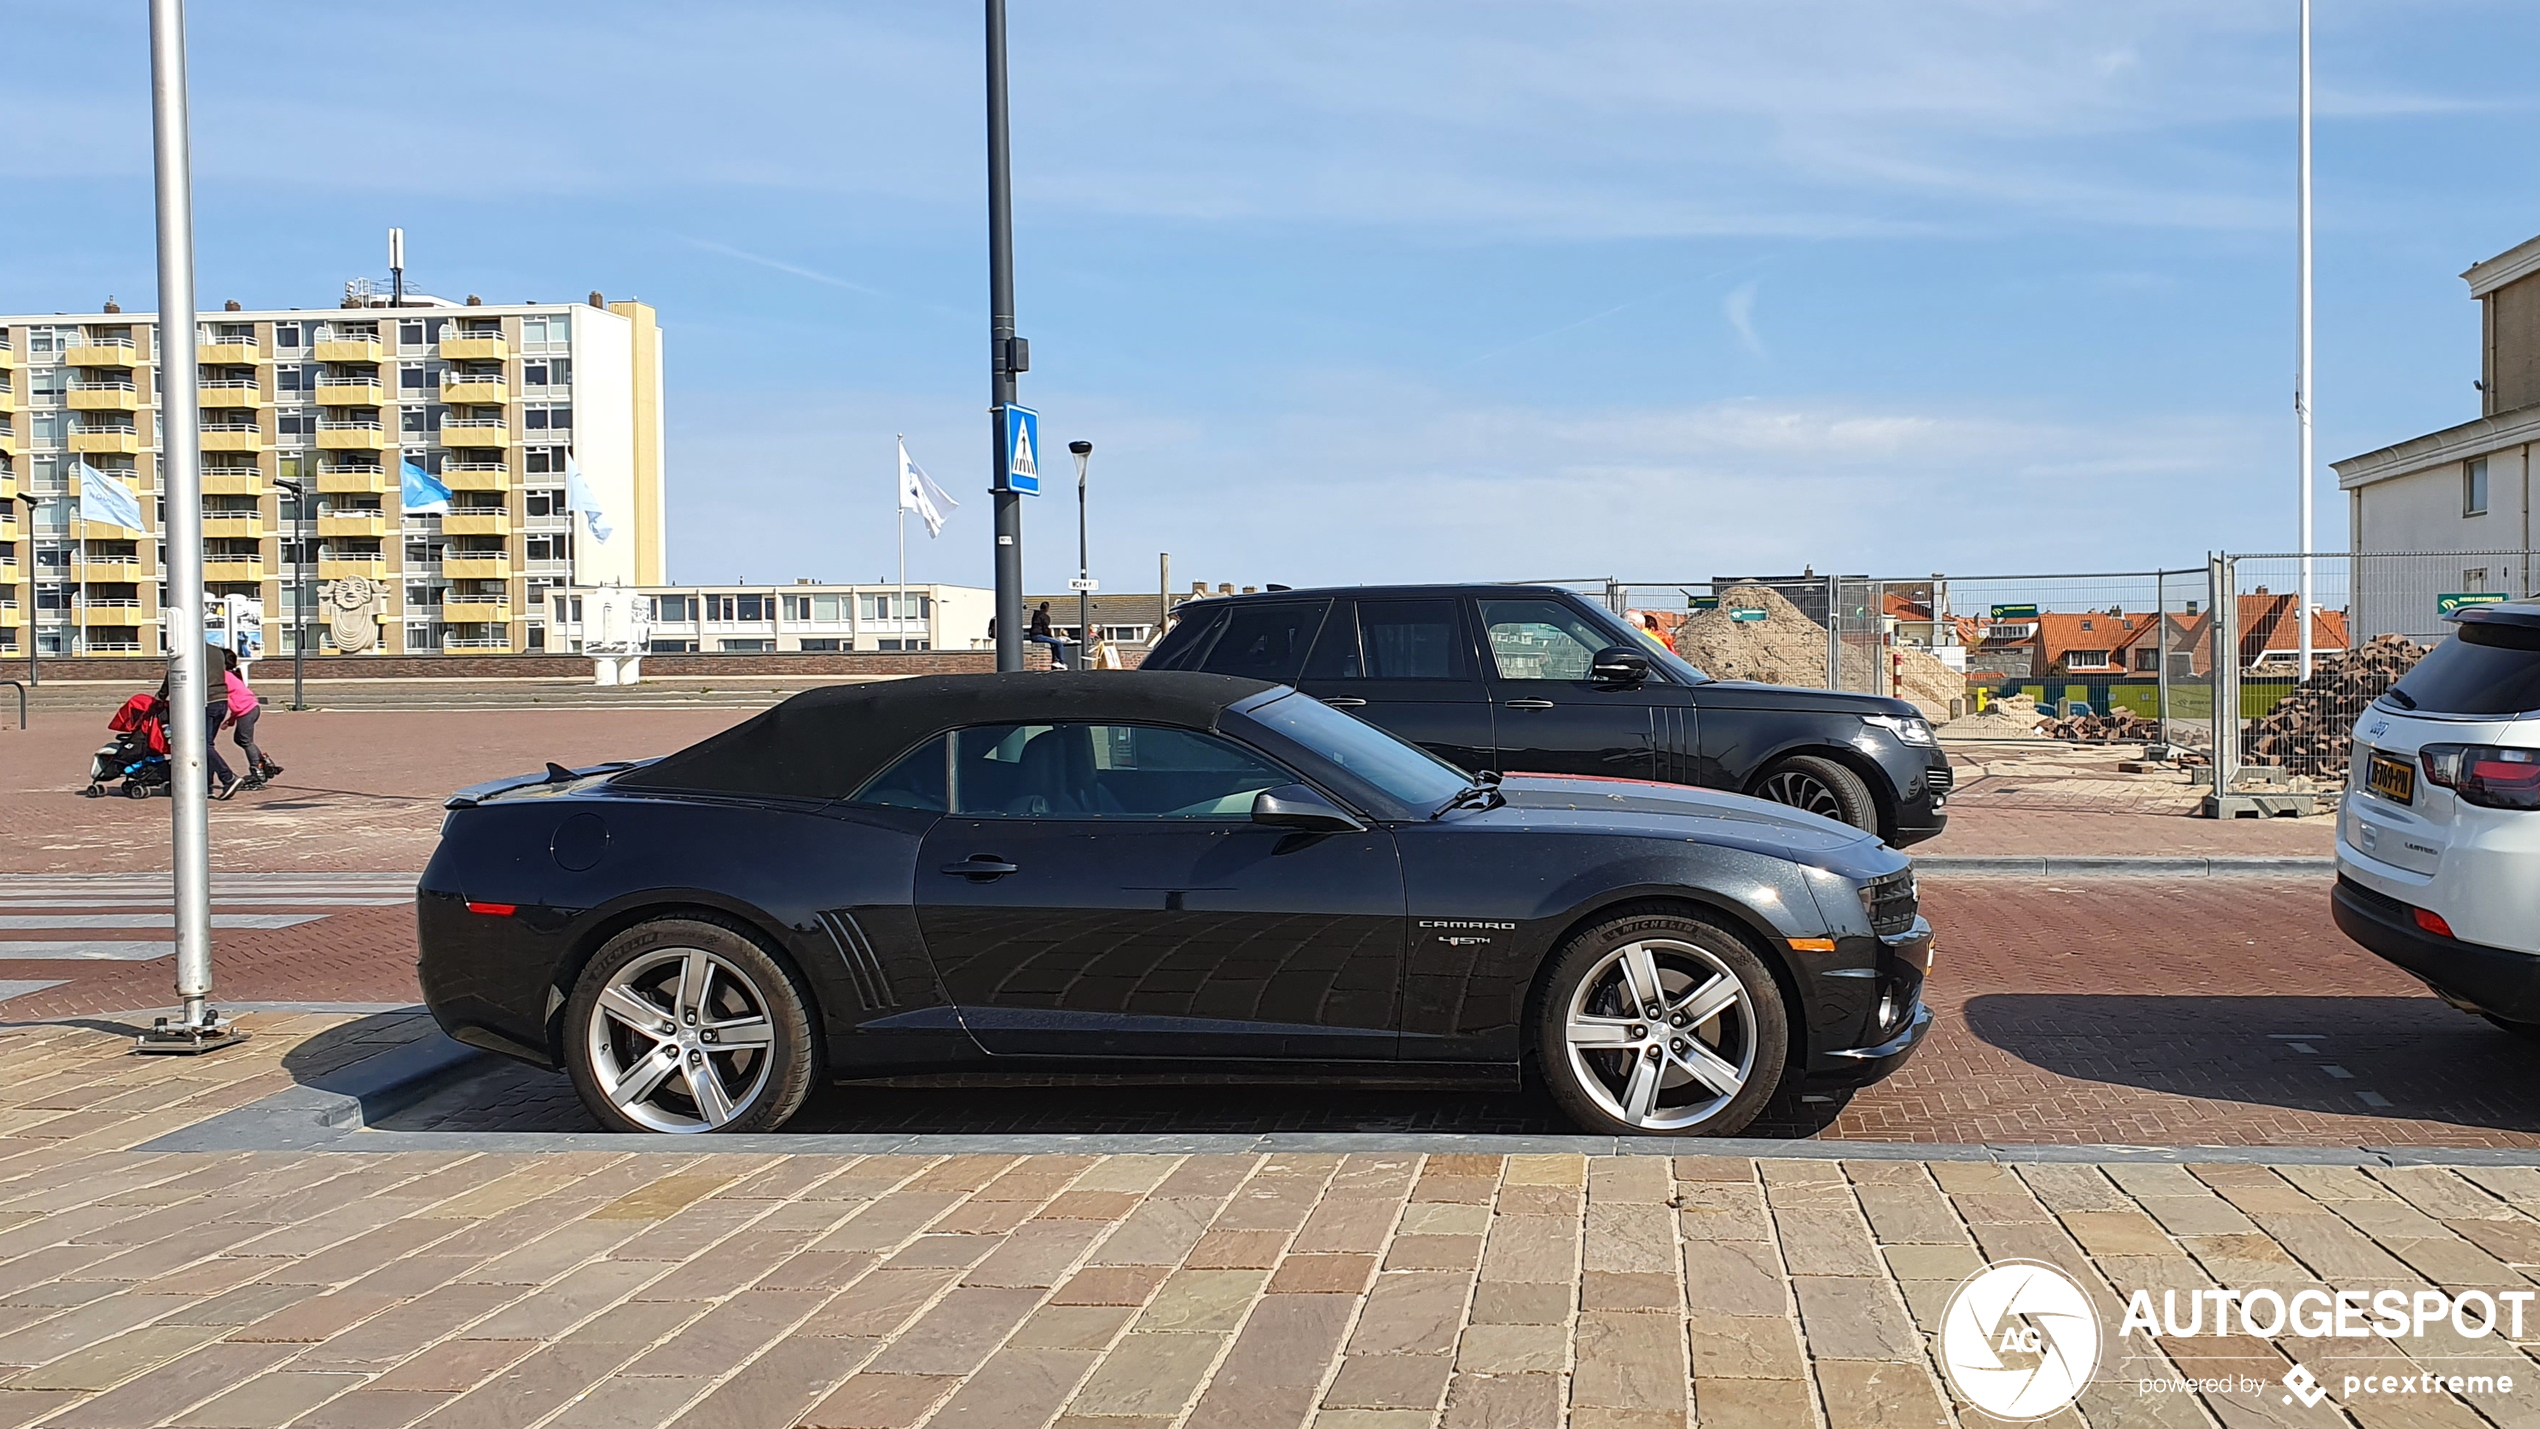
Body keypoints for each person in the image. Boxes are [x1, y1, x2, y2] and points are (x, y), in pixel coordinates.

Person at [161, 673, 239, 798]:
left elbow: (173, 672)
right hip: (221, 700)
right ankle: (207, 786)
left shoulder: (195, 652)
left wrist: (161, 696)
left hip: (206, 700)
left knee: (202, 745)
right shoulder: (219, 652)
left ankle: (228, 777)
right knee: (207, 746)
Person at [223, 648, 282, 789]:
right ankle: (264, 761)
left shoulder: (223, 675)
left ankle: (257, 769)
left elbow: (236, 701)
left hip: (247, 710)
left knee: (245, 740)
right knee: (240, 739)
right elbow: (235, 701)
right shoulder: (231, 675)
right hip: (248, 709)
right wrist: (230, 720)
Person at [1027, 601, 1069, 669]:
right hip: (1039, 636)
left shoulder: (1036, 615)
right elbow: (1045, 629)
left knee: (1053, 643)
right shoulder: (1045, 617)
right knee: (1059, 643)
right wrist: (1050, 636)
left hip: (1033, 635)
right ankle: (1061, 662)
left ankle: (1055, 660)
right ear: (1047, 609)